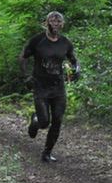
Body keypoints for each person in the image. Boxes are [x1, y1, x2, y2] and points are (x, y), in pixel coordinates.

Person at [19, 11, 79, 162]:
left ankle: (47, 152)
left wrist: (76, 70)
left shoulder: (65, 42)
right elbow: (23, 57)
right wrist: (26, 76)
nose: (55, 24)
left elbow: (74, 60)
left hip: (58, 87)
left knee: (57, 119)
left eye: (58, 22)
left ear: (62, 24)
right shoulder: (37, 40)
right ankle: (36, 120)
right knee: (44, 122)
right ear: (46, 23)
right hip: (40, 86)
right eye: (52, 21)